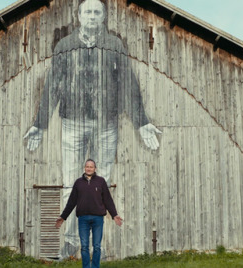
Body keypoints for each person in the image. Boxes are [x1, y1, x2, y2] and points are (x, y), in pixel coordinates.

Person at [23, 0, 161, 258]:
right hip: (72, 123)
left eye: (97, 12)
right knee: (69, 184)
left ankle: (100, 244)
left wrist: (141, 122)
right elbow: (52, 85)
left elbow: (128, 84)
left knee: (102, 184)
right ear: (79, 15)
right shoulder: (65, 46)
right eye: (88, 11)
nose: (92, 16)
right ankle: (71, 243)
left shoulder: (114, 46)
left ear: (104, 17)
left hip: (106, 123)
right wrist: (39, 125)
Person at [55, 159, 123, 268]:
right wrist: (63, 217)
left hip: (98, 219)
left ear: (95, 169)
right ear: (84, 168)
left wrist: (114, 214)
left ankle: (95, 266)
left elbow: (107, 200)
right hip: (83, 219)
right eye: (87, 166)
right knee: (85, 246)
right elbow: (71, 201)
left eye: (91, 167)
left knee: (96, 246)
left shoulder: (100, 181)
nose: (89, 168)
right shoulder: (78, 182)